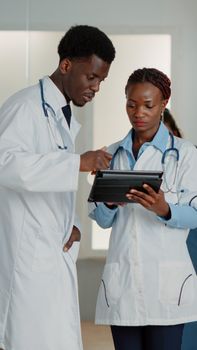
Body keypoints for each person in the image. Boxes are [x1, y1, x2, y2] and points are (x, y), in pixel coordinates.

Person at [0, 25, 115, 350]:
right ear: (66, 65)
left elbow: (50, 184)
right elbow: (5, 164)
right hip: (27, 261)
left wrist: (73, 225)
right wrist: (77, 163)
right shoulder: (24, 108)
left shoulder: (59, 113)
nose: (95, 88)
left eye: (101, 81)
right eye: (91, 77)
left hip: (52, 253)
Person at [89, 68, 197, 350]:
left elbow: (195, 215)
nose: (139, 112)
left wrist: (164, 209)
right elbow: (101, 220)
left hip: (167, 289)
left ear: (163, 105)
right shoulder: (111, 154)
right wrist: (110, 202)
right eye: (131, 104)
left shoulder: (184, 154)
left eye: (148, 105)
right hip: (122, 284)